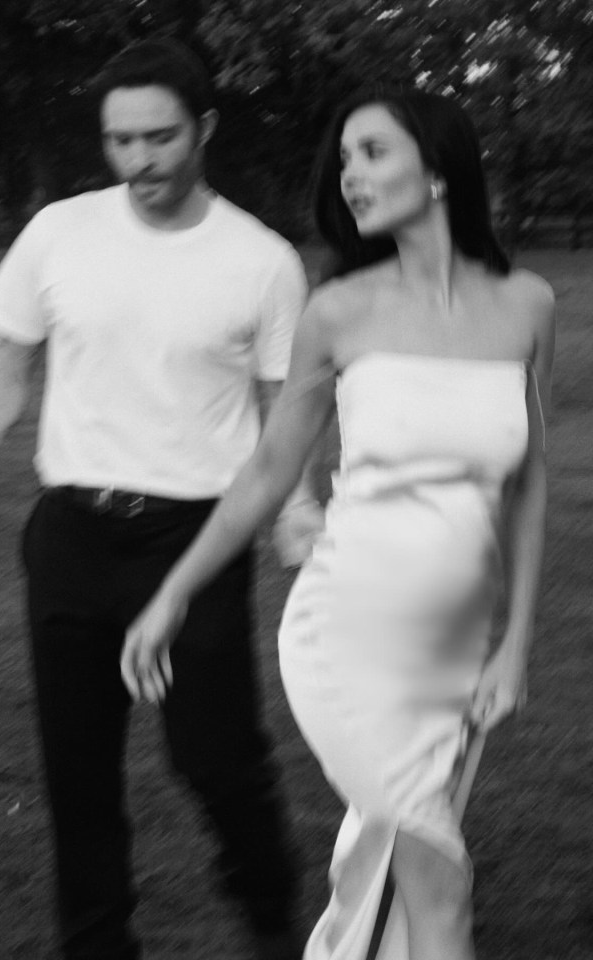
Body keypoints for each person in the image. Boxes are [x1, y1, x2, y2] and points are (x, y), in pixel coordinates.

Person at [121, 86, 555, 960]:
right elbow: (268, 473)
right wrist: (174, 591)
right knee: (442, 880)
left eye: (373, 152)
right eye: (344, 158)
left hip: (456, 645)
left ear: (437, 171)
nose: (350, 174)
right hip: (344, 630)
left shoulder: (528, 306)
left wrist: (515, 644)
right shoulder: (339, 312)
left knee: (392, 867)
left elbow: (529, 480)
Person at [0, 37, 320, 960]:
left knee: (216, 761)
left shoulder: (261, 261)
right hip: (69, 536)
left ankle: (271, 921)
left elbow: (282, 412)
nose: (139, 160)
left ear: (205, 128)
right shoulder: (59, 230)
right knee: (78, 774)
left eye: (161, 138)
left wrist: (297, 511)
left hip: (195, 539)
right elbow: (9, 356)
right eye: (121, 139)